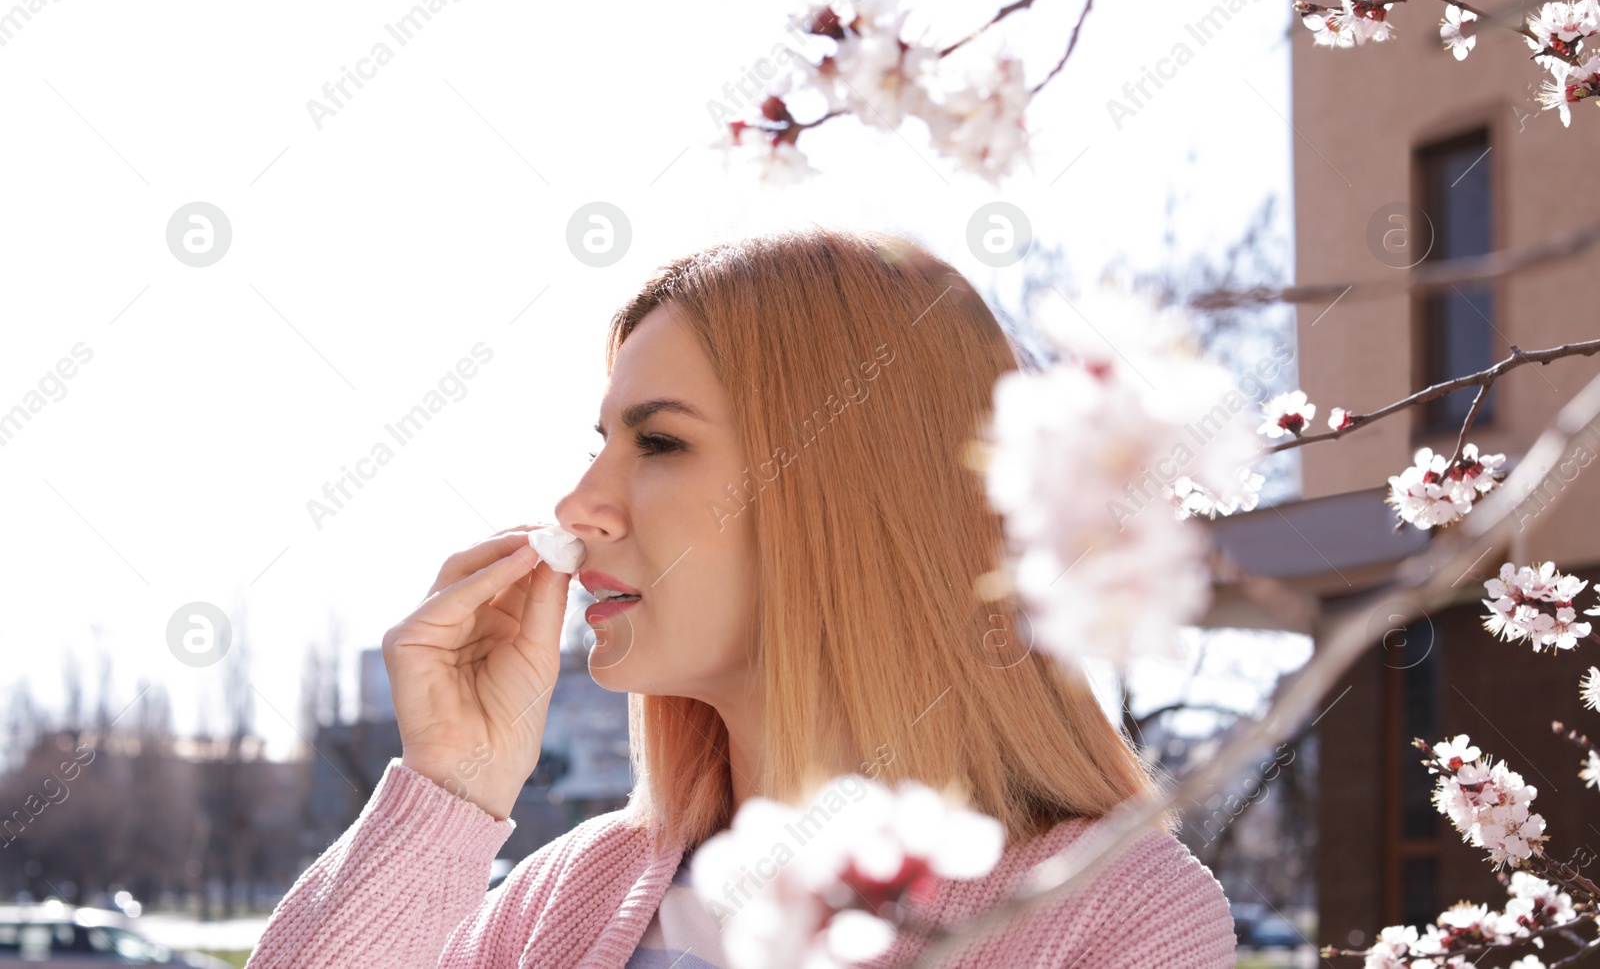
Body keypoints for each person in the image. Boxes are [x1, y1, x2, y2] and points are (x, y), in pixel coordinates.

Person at [243, 227, 1237, 968]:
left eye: (660, 440)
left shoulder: (1115, 914)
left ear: (849, 483)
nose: (579, 503)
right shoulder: (567, 895)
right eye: (601, 442)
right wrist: (449, 788)